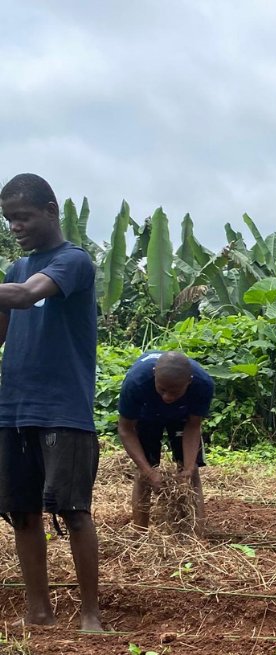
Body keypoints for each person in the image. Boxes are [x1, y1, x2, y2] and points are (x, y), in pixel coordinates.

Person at [0, 174, 101, 631]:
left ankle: (90, 614)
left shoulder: (72, 261)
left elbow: (24, 299)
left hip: (62, 408)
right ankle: (38, 612)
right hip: (13, 409)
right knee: (22, 512)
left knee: (73, 511)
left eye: (22, 217)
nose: (14, 227)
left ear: (51, 210)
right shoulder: (14, 269)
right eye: (8, 220)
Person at [117, 350, 214, 536]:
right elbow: (125, 429)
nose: (167, 397)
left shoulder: (203, 384)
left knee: (191, 473)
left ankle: (197, 536)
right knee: (143, 475)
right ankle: (140, 535)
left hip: (182, 415)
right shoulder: (136, 383)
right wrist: (148, 471)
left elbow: (193, 426)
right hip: (147, 415)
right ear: (154, 374)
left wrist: (187, 469)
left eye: (175, 392)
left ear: (189, 381)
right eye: (162, 389)